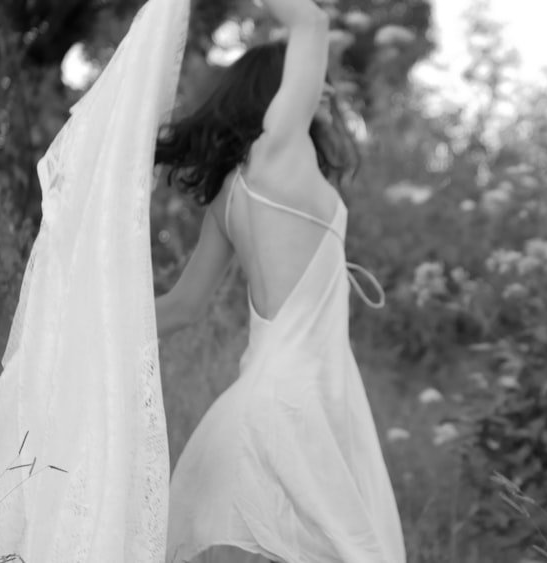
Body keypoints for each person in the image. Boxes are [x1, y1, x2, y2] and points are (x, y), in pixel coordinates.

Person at [152, 0, 406, 561]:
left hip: (255, 409)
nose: (323, 88)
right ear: (280, 90)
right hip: (300, 409)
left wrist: (93, 327)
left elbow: (181, 307)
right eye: (308, 76)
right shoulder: (279, 153)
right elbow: (310, 19)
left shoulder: (229, 195)